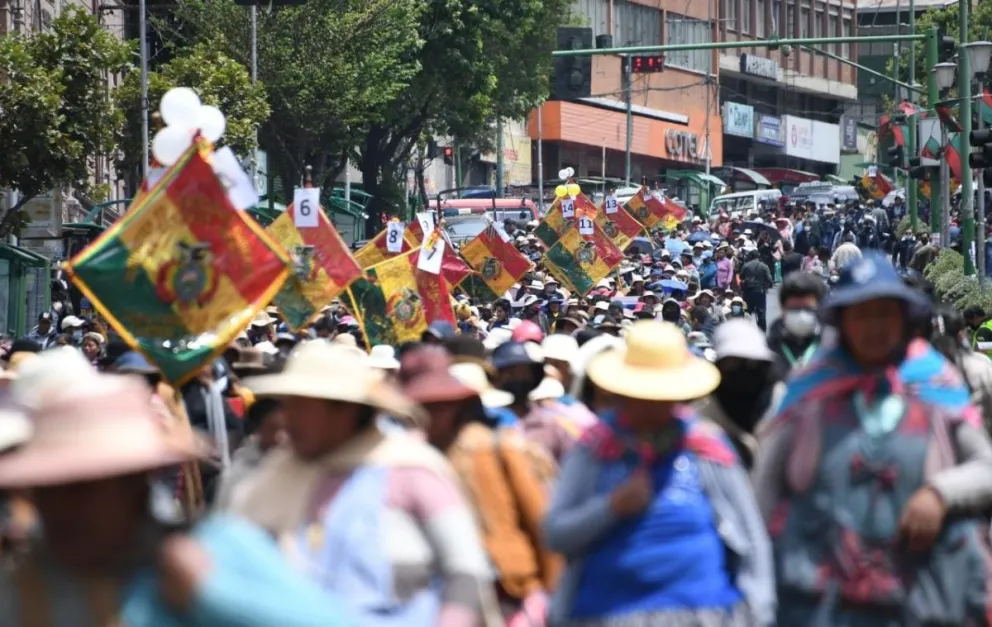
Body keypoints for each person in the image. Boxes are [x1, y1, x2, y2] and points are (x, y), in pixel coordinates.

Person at [0, 368, 354, 627]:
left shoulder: (216, 548)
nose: (59, 509)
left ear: (134, 486)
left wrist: (210, 594)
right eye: (46, 490)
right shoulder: (28, 579)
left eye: (81, 490)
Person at [754, 253, 992, 625]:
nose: (874, 326)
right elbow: (763, 495)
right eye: (861, 314)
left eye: (885, 313)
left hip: (922, 595)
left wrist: (940, 494)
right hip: (821, 600)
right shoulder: (808, 390)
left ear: (904, 319)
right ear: (842, 322)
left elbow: (985, 469)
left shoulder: (935, 381)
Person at [228, 342, 491, 626]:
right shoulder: (277, 474)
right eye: (287, 405)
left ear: (344, 410)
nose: (287, 419)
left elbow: (466, 570)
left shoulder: (409, 470)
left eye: (302, 406)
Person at [543, 321, 775, 626]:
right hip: (605, 614)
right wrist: (611, 507)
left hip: (703, 616)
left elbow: (751, 537)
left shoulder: (707, 447)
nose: (652, 404)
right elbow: (556, 534)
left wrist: (758, 611)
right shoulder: (594, 449)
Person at [404, 353, 559, 626]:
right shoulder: (408, 459)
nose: (426, 416)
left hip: (507, 593)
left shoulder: (495, 448)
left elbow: (541, 521)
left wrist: (554, 593)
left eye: (436, 407)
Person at [695, 320, 784, 470]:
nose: (745, 371)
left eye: (754, 364)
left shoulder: (783, 402)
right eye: (733, 364)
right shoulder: (703, 417)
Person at [766, 272, 827, 378]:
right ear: (782, 309)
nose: (801, 315)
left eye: (808, 309)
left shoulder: (834, 347)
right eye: (794, 309)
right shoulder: (766, 352)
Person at [739, 250, 773, 330]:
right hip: (760, 292)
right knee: (761, 312)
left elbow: (741, 276)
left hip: (748, 292)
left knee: (747, 312)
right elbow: (769, 279)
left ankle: (745, 329)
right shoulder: (764, 266)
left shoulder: (746, 265)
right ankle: (762, 331)